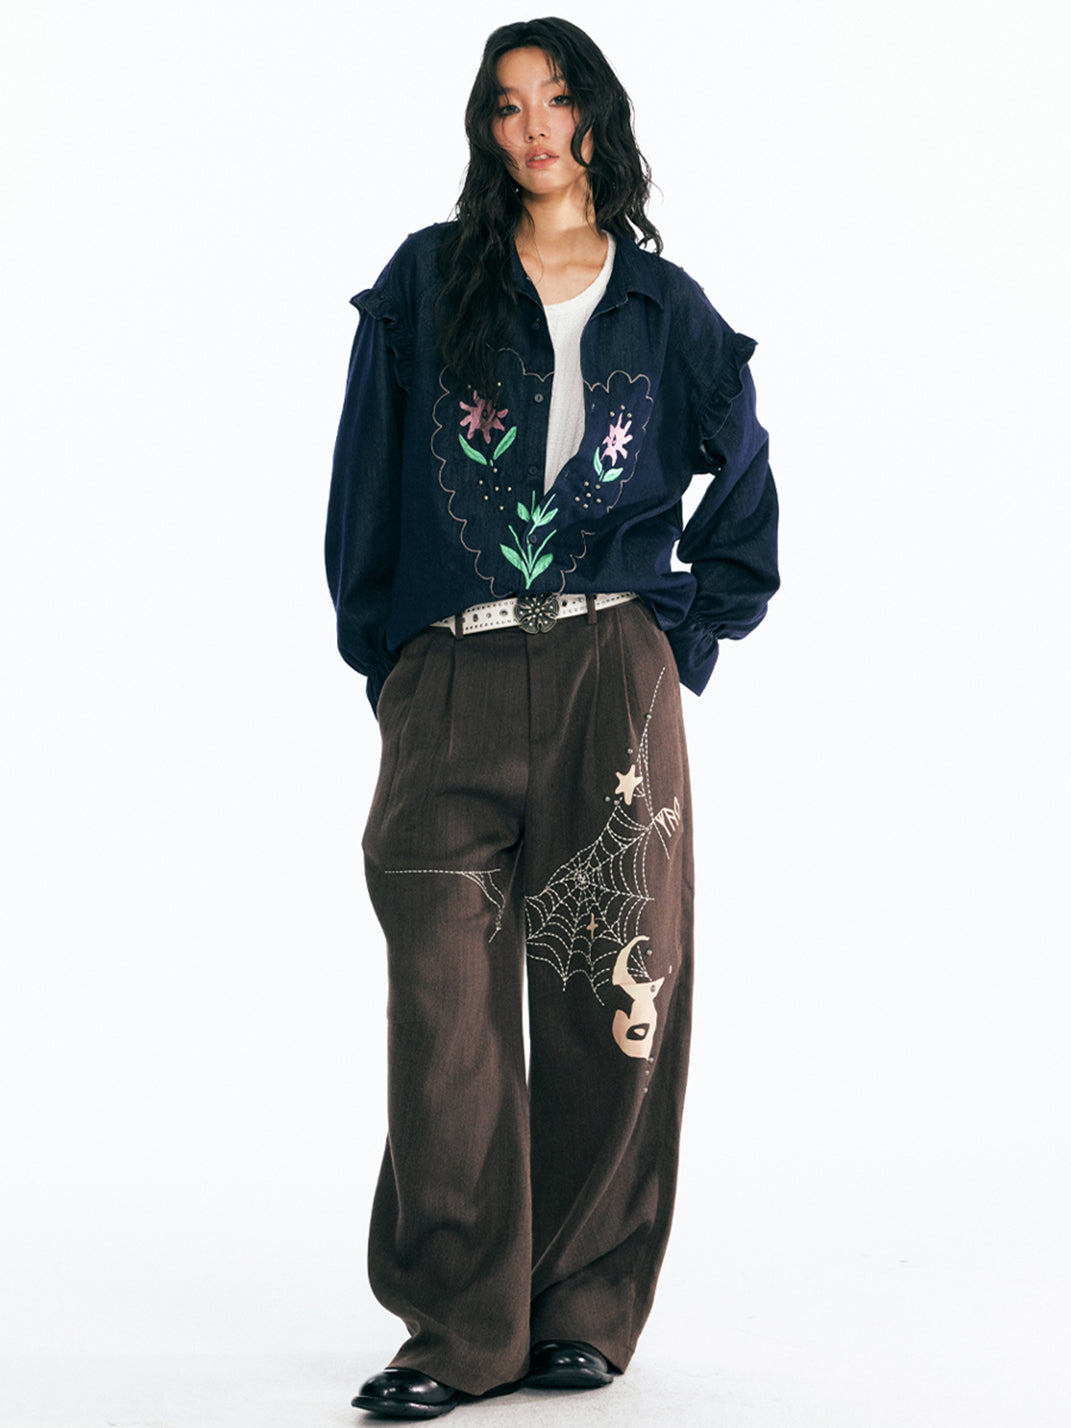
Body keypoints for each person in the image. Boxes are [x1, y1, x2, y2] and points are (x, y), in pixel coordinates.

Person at [326, 16, 778, 1420]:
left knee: (613, 996)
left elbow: (745, 504)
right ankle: (456, 1330)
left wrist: (671, 642)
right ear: (485, 127)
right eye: (507, 103)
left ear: (597, 118)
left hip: (610, 680)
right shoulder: (427, 282)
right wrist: (398, 669)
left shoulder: (665, 309)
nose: (533, 126)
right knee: (443, 1015)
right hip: (451, 677)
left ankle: (579, 1309)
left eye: (558, 98)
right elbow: (362, 497)